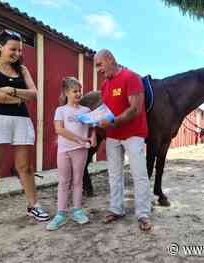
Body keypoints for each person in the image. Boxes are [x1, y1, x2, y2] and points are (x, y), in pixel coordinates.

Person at [0, 30, 49, 233]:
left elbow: (34, 94)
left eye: (19, 50)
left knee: (25, 167)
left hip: (21, 120)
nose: (16, 53)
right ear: (0, 46)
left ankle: (33, 205)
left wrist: (13, 91)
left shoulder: (22, 69)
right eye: (12, 49)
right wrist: (18, 99)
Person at [94, 49, 152, 231]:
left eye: (99, 64)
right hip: (113, 136)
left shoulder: (131, 77)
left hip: (133, 134)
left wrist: (112, 121)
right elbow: (106, 109)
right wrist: (95, 119)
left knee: (139, 174)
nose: (98, 70)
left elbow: (134, 109)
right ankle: (116, 209)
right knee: (114, 174)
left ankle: (143, 214)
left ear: (110, 59)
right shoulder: (105, 85)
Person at [46, 77, 96, 231]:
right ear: (66, 92)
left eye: (79, 91)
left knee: (78, 181)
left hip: (80, 151)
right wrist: (79, 138)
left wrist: (92, 136)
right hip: (64, 149)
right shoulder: (60, 110)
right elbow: (59, 129)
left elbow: (93, 126)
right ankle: (60, 214)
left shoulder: (86, 111)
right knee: (63, 181)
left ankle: (77, 210)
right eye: (75, 91)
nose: (78, 94)